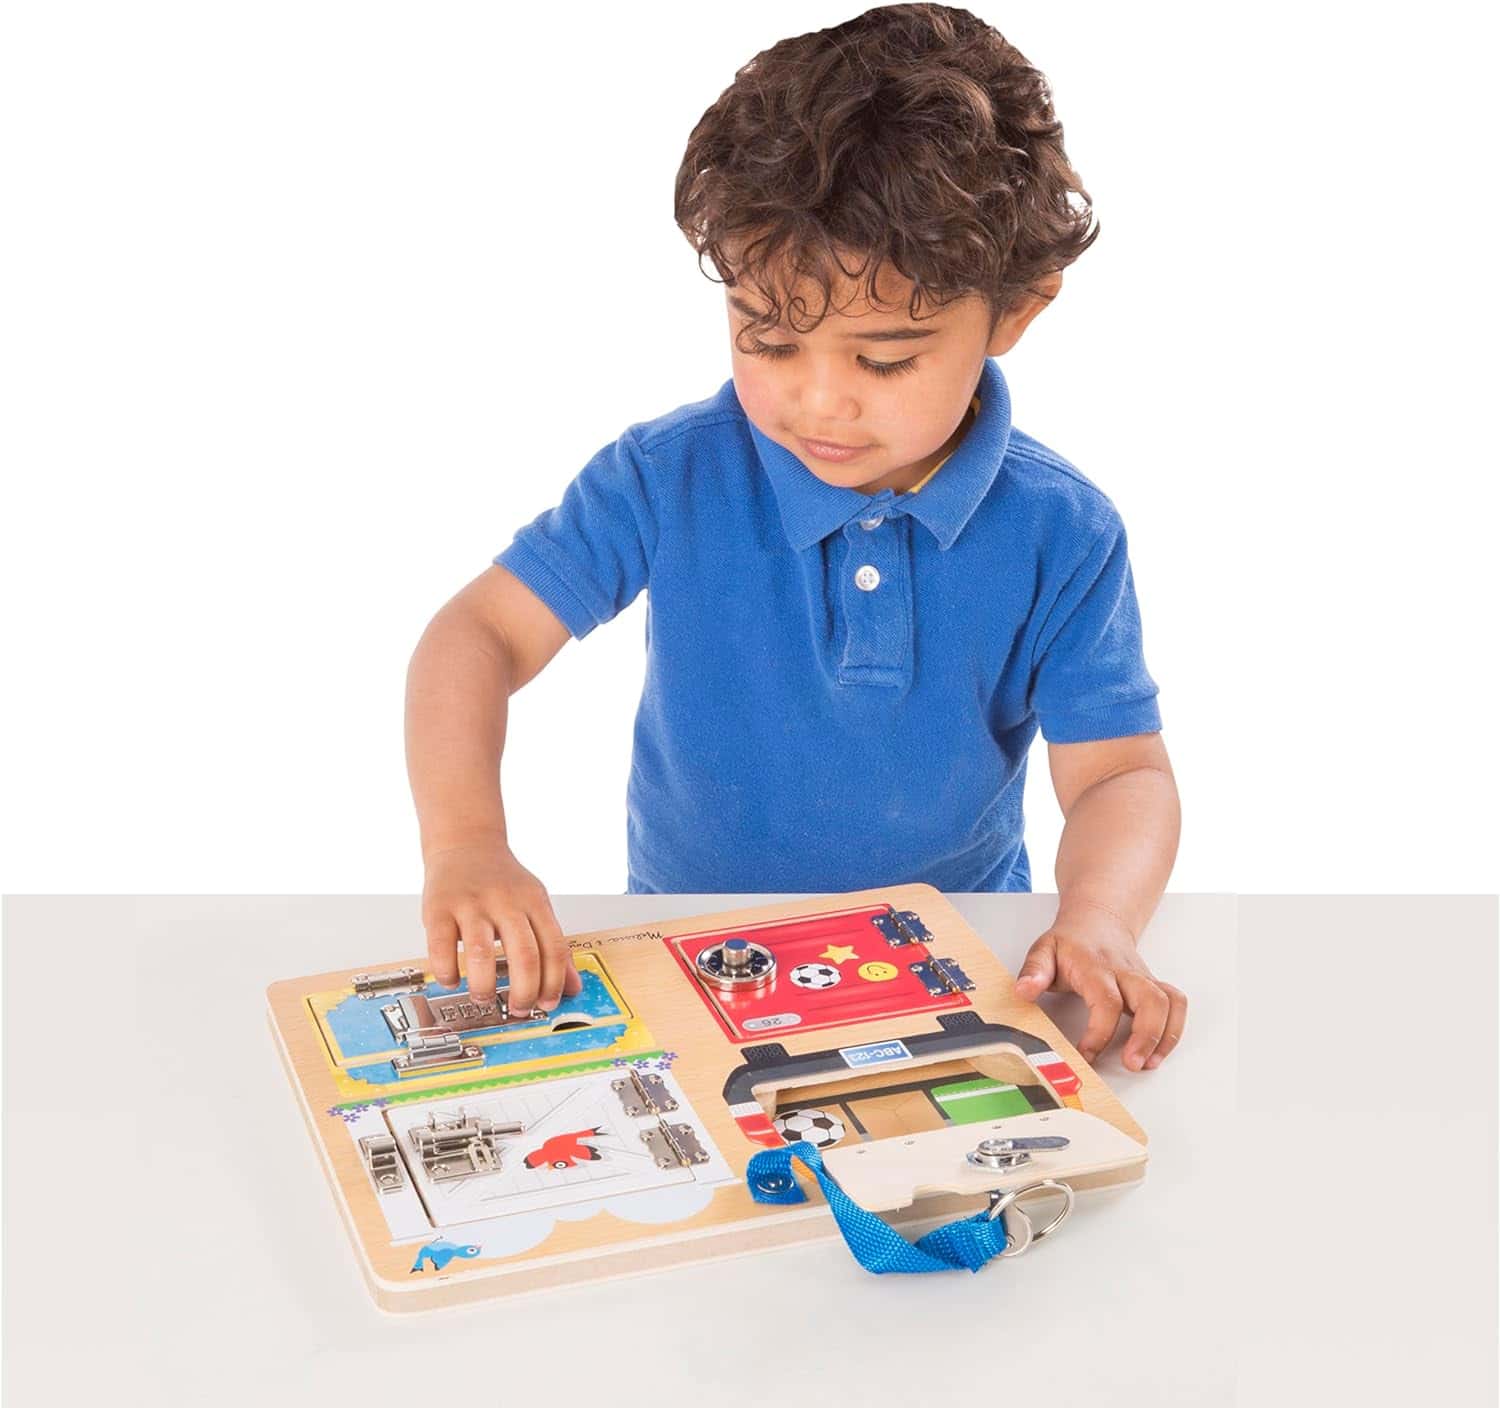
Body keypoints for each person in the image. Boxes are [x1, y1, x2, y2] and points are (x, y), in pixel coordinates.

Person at [405, 4, 1186, 1071]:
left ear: (1016, 312)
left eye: (885, 360)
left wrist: (1097, 920)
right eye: (767, 339)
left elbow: (1118, 778)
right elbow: (479, 634)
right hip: (688, 965)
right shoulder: (666, 475)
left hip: (952, 974)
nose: (820, 403)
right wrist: (466, 845)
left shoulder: (1065, 529)